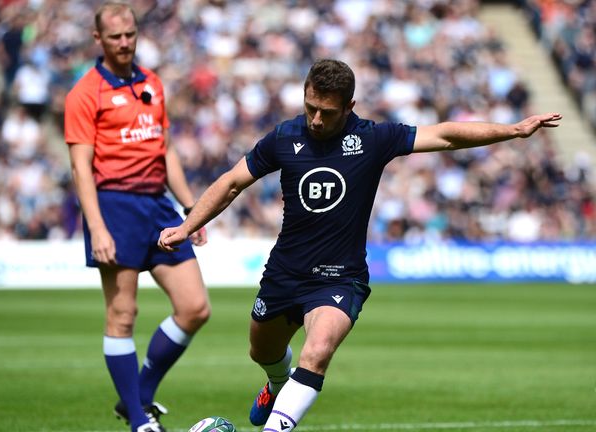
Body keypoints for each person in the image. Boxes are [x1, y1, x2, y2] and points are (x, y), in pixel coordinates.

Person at [158, 59, 562, 432]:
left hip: (340, 277)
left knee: (316, 353)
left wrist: (512, 130)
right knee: (261, 350)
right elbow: (231, 182)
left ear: (350, 106)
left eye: (328, 112)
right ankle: (276, 383)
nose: (316, 119)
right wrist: (185, 225)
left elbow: (445, 135)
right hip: (284, 272)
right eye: (310, 107)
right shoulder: (283, 137)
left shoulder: (374, 138)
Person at [64, 3, 210, 432]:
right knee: (123, 315)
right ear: (99, 40)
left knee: (195, 307)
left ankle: (137, 397)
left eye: (130, 34)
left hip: (158, 205)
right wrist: (97, 228)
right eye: (115, 37)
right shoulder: (85, 93)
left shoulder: (152, 83)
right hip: (115, 206)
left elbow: (165, 151)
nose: (125, 43)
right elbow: (80, 167)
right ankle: (139, 422)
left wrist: (191, 209)